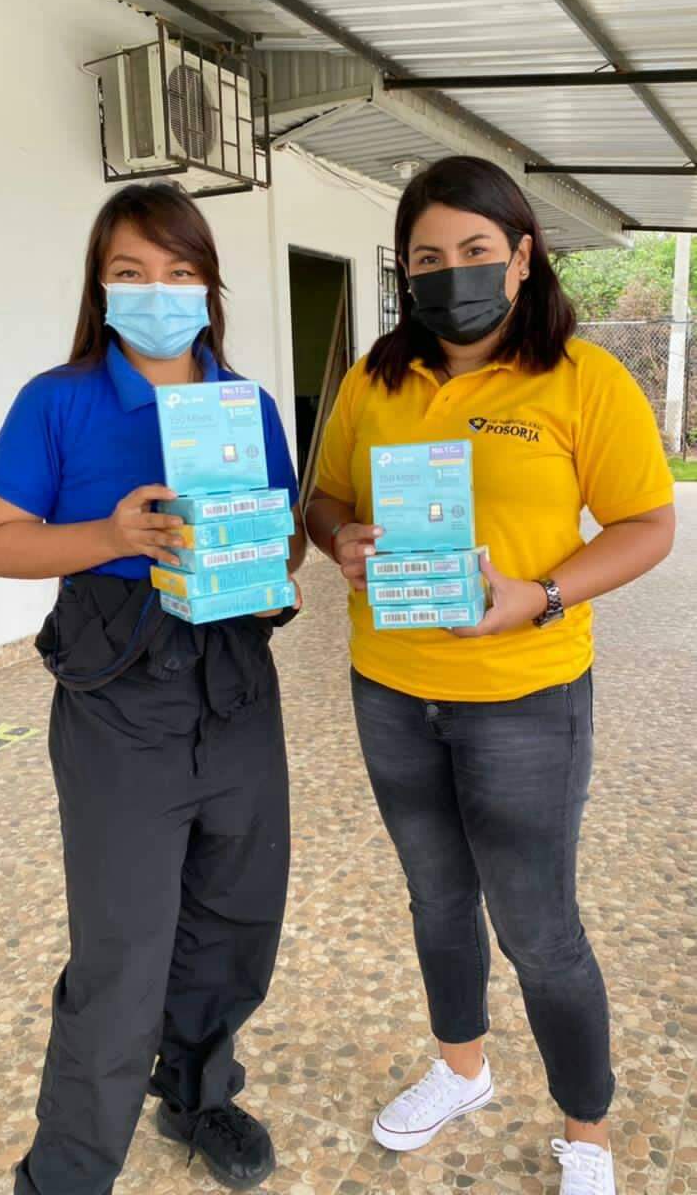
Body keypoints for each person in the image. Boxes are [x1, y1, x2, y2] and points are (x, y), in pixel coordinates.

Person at [306, 156, 675, 1195]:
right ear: (404, 270)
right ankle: (462, 1069)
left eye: (475, 249)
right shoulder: (373, 380)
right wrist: (339, 539)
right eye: (427, 257)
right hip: (391, 687)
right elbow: (324, 500)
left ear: (521, 258)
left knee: (538, 928)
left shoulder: (583, 378)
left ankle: (586, 1130)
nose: (451, 271)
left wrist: (542, 594)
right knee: (435, 898)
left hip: (525, 697)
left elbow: (647, 524)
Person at [0, 182, 306, 1195]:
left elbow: (286, 536)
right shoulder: (58, 399)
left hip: (235, 682)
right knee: (122, 950)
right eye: (132, 272)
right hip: (120, 693)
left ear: (209, 287)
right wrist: (111, 534)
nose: (157, 290)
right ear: (101, 287)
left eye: (179, 270)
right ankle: (67, 1173)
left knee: (235, 917)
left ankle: (198, 1093)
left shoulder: (247, 404)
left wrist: (265, 560)